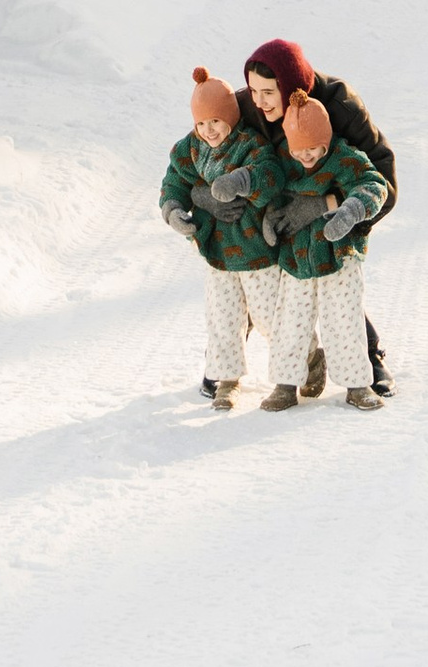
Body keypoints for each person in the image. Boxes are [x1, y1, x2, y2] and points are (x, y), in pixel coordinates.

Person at [244, 37, 395, 400]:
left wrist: (326, 207)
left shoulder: (341, 105)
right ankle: (225, 355)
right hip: (278, 214)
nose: (259, 100)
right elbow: (206, 139)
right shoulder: (251, 103)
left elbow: (383, 181)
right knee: (265, 291)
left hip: (336, 216)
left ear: (291, 86)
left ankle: (367, 356)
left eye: (268, 92)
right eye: (253, 90)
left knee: (337, 286)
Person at [159, 66, 285, 413]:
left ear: (230, 116)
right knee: (223, 318)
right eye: (202, 123)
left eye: (215, 121)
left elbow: (270, 175)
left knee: (271, 315)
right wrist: (173, 211)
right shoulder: (190, 149)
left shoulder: (249, 143)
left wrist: (242, 181)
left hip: (256, 251)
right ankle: (227, 380)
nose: (209, 130)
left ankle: (303, 360)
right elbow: (174, 183)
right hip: (217, 253)